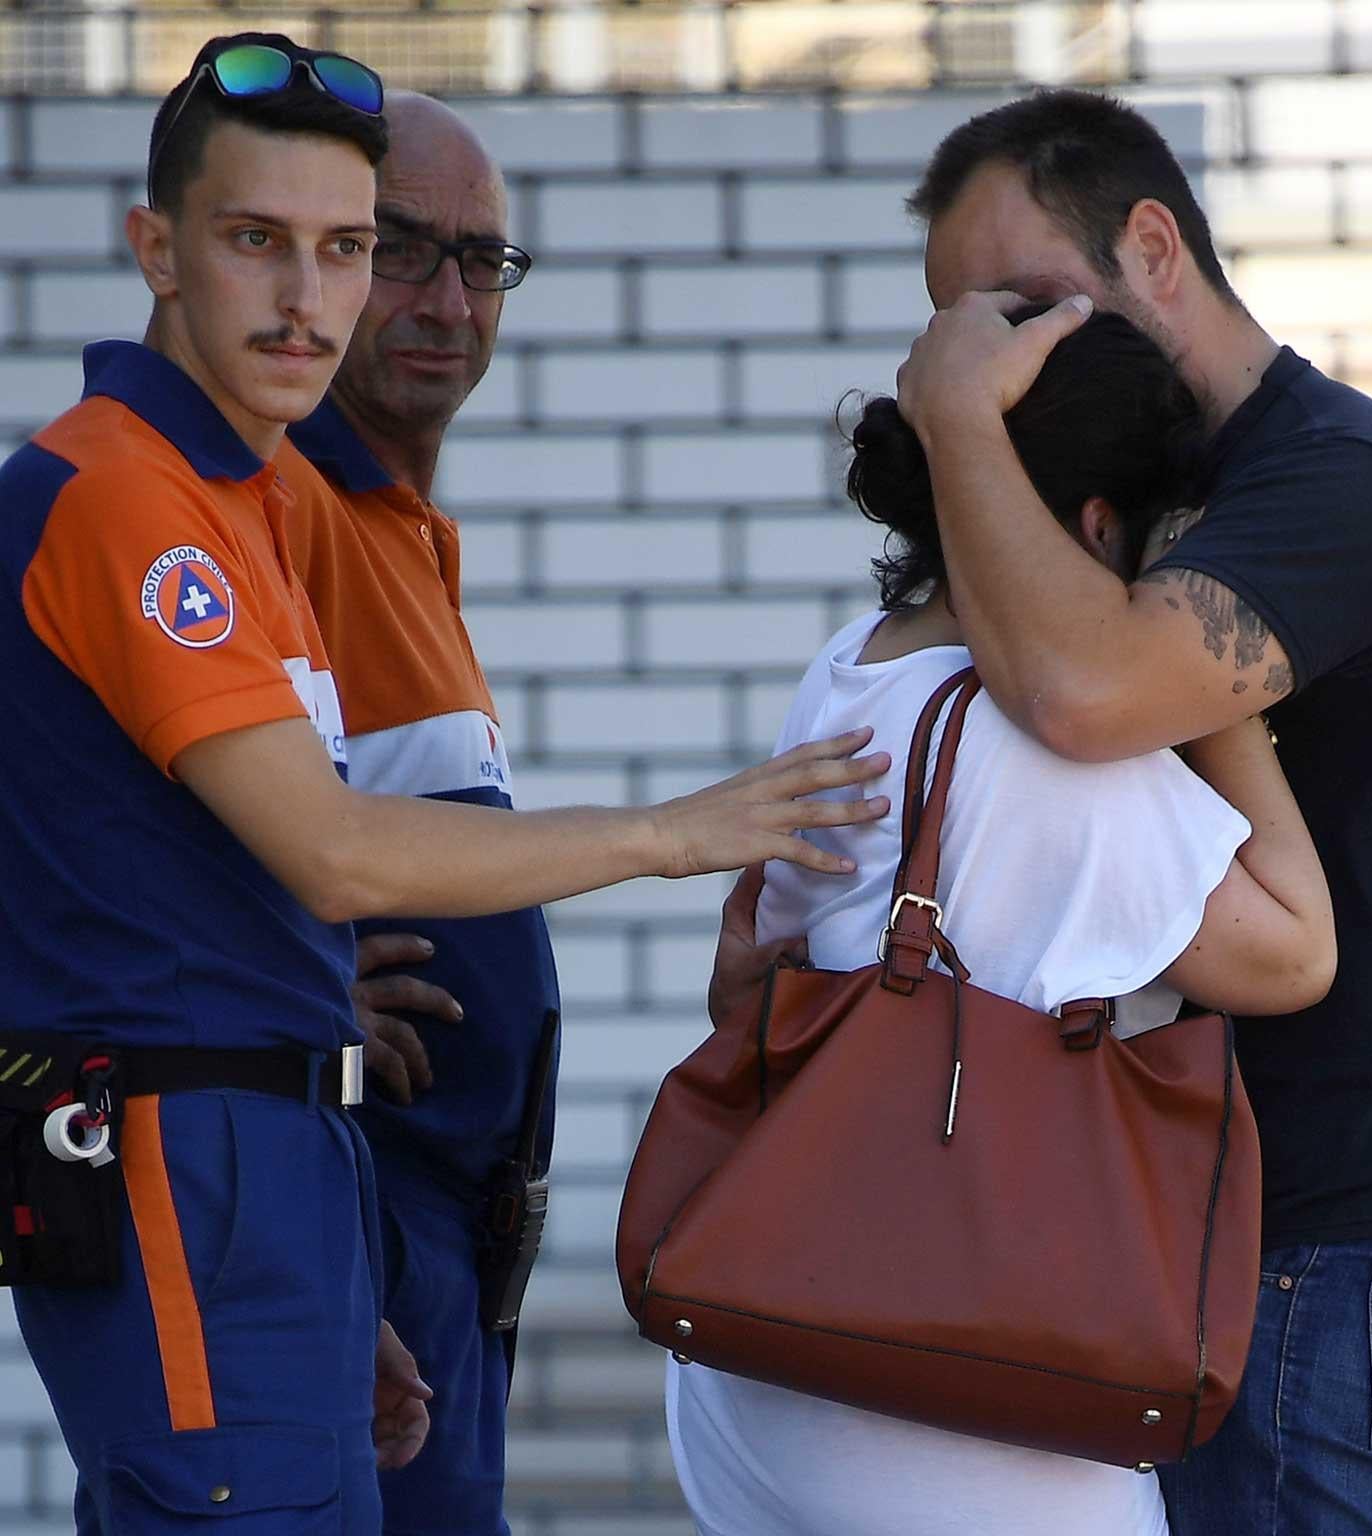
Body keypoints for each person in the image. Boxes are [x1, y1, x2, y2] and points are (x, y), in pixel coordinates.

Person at [0, 35, 886, 1535]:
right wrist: (679, 834)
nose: (309, 297)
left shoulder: (237, 495)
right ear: (154, 247)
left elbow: (224, 869)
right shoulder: (128, 499)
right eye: (259, 243)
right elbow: (336, 854)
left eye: (344, 248)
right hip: (187, 1148)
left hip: (288, 1157)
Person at [872, 89, 1372, 1534]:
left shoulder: (1335, 483)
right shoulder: (1147, 488)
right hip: (1183, 1221)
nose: (986, 359)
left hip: (1328, 1238)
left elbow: (1086, 696)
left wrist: (960, 424)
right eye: (959, 328)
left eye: (1025, 305)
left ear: (1154, 246)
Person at [667, 309, 1337, 1536]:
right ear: (1097, 530)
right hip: (957, 1409)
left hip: (767, 1362)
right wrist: (1208, 687)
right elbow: (1292, 950)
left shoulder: (853, 667)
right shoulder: (1050, 753)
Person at [272, 89, 551, 1536]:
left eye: (483, 261)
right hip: (345, 1203)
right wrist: (295, 986)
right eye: (405, 251)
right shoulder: (267, 506)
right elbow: (96, 836)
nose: (449, 299)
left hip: (439, 1241)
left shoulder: (398, 528)